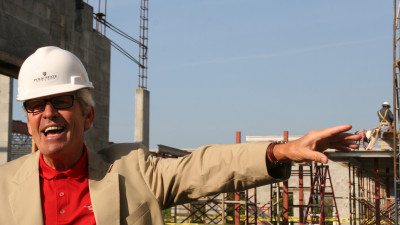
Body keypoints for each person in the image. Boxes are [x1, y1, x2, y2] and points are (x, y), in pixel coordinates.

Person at [0, 46, 361, 225]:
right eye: (35, 105)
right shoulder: (5, 186)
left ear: (87, 114)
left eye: (61, 101)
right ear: (28, 119)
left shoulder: (129, 172)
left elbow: (202, 168)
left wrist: (281, 151)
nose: (47, 113)